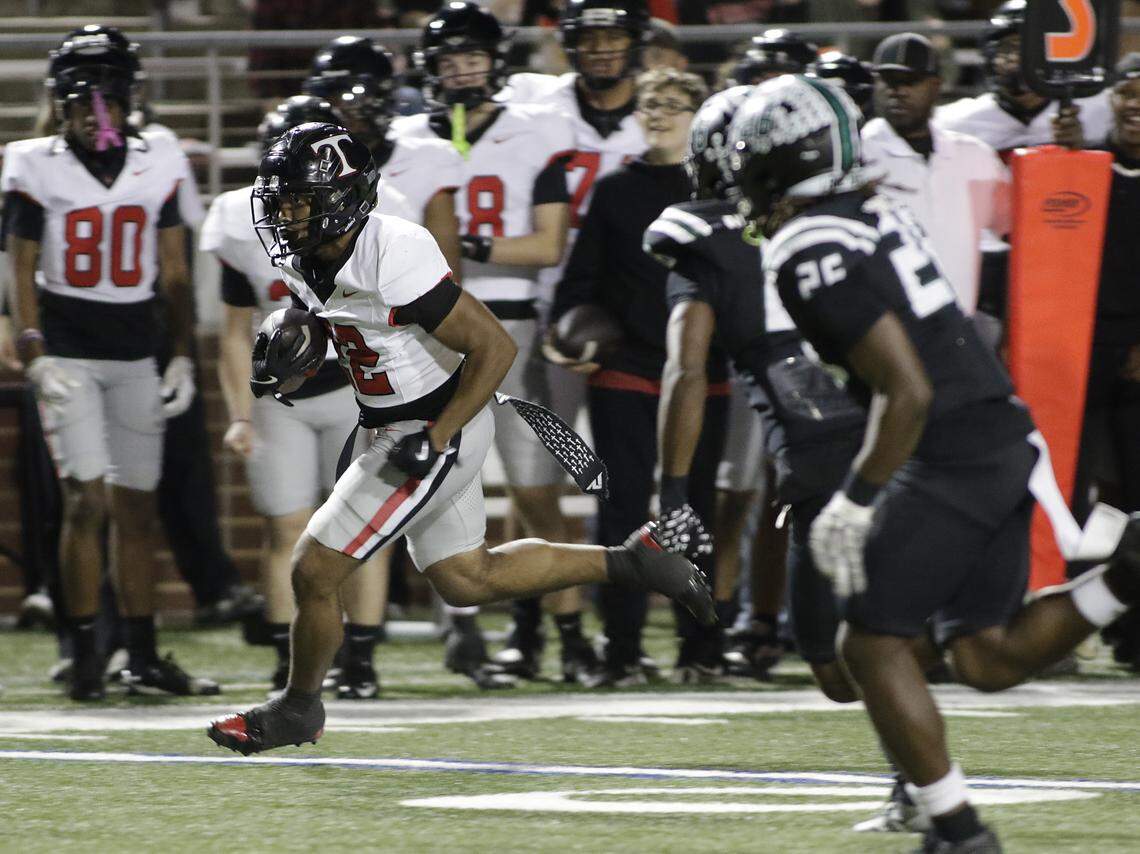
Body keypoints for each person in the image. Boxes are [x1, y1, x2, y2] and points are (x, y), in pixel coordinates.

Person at [207, 122, 714, 755]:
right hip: (389, 419)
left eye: (300, 200)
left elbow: (494, 347)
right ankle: (633, 561)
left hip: (428, 424)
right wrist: (303, 336)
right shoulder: (314, 250)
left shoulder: (389, 249)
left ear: (343, 198)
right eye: (280, 200)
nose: (285, 214)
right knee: (466, 578)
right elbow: (362, 322)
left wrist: (436, 436)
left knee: (313, 568)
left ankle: (298, 708)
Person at [729, 74, 1140, 853]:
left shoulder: (810, 248)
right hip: (995, 434)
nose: (742, 181)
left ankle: (957, 831)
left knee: (868, 644)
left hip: (951, 451)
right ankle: (1127, 574)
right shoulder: (865, 213)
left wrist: (857, 499)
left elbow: (905, 390)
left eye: (750, 163)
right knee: (984, 657)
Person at [1, 29, 218, 700]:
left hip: (136, 351)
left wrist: (182, 353)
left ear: (129, 99)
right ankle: (88, 652)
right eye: (82, 100)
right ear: (60, 104)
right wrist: (31, 350)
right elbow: (22, 268)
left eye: (107, 99)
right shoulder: (31, 162)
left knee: (136, 509)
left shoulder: (161, 158)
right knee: (86, 502)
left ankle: (143, 654)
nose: (96, 114)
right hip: (68, 353)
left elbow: (176, 269)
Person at [400, 1, 601, 683]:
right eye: (450, 55)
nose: (463, 66)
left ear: (497, 59)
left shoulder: (534, 131)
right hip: (424, 328)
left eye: (474, 53)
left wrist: (467, 243)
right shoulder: (404, 138)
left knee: (534, 486)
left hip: (509, 319)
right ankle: (462, 625)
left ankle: (564, 631)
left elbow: (548, 245)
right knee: (428, 478)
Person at [646, 84, 865, 696]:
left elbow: (685, 371)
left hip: (820, 447)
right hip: (898, 429)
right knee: (905, 643)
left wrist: (673, 489)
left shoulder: (700, 234)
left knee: (838, 662)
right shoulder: (854, 214)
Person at [203, 95, 408, 700]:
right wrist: (242, 411)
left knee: (362, 526)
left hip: (358, 389)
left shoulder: (380, 216)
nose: (287, 198)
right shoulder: (242, 221)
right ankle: (286, 658)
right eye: (279, 182)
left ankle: (361, 660)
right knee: (287, 526)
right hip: (280, 398)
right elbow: (235, 329)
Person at [549, 68, 728, 685]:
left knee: (696, 506)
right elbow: (581, 278)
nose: (660, 112)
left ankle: (701, 646)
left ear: (700, 115)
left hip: (705, 371)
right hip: (626, 368)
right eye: (652, 102)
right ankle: (621, 647)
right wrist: (566, 329)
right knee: (622, 508)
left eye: (676, 103)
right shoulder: (617, 187)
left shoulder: (720, 188)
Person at [493, 0, 651, 678]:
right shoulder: (533, 106)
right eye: (590, 37)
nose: (602, 50)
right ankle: (531, 624)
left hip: (635, 323)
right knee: (533, 484)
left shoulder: (662, 112)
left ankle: (618, 637)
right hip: (552, 311)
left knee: (627, 490)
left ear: (638, 42)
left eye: (615, 37)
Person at [862, 33, 1011, 316]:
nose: (899, 91)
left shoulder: (975, 156)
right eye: (889, 81)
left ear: (935, 86)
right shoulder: (854, 158)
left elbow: (1011, 230)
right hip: (883, 332)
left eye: (911, 81)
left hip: (958, 325)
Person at [304, 35, 464, 279]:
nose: (339, 110)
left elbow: (447, 274)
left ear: (383, 94)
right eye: (328, 99)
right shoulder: (305, 167)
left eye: (351, 96)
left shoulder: (428, 159)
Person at [1082, 55, 1140, 671]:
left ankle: (1133, 629)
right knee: (1075, 490)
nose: (1134, 105)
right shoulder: (1088, 164)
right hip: (1081, 342)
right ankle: (1076, 614)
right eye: (1126, 93)